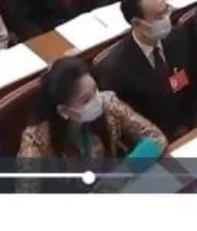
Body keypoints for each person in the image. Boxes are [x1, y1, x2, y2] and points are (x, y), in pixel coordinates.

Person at [16, 57, 166, 190]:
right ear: (63, 111)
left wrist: (124, 171)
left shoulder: (108, 103)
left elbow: (156, 138)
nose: (97, 100)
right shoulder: (36, 140)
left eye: (95, 90)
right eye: (86, 100)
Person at [95, 0, 197, 141]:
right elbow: (127, 125)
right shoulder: (115, 69)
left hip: (195, 128)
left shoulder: (179, 37)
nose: (166, 18)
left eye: (166, 10)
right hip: (156, 140)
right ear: (137, 23)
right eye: (158, 16)